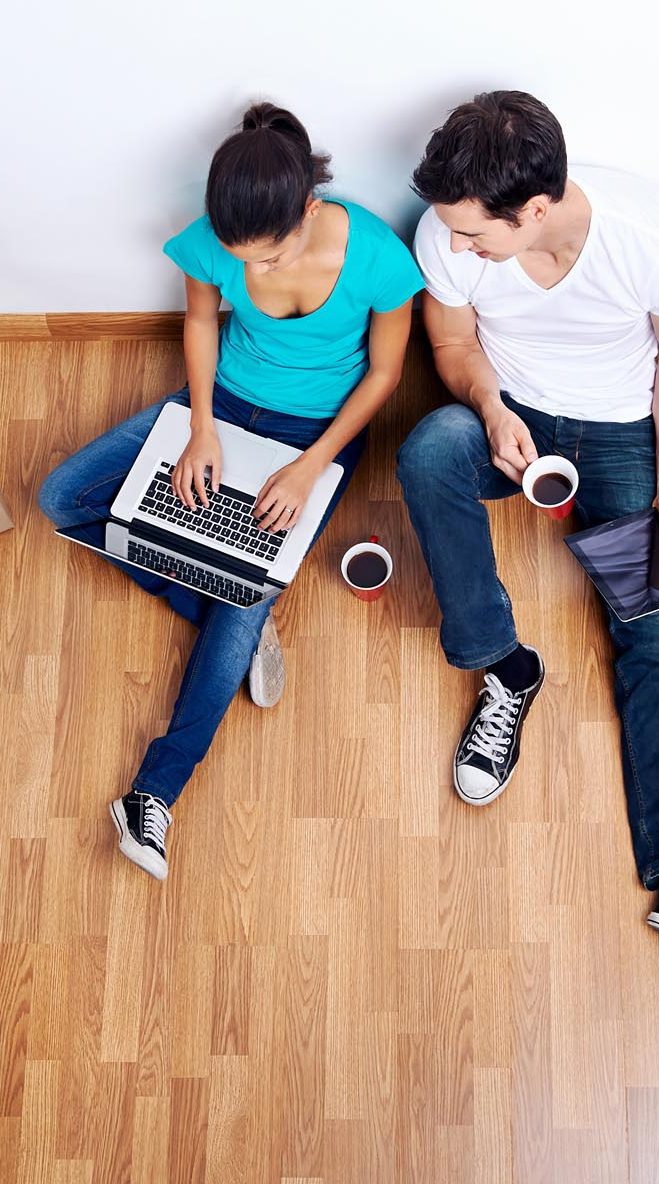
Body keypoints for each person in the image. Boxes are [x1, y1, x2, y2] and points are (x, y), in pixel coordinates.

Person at [397, 90, 659, 980]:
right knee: (431, 449)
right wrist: (489, 407)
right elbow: (454, 343)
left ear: (535, 209)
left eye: (475, 236)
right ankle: (504, 665)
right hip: (513, 418)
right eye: (453, 234)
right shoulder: (448, 232)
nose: (455, 248)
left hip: (620, 431)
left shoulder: (650, 240)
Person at [39, 102, 423, 881]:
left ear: (309, 211)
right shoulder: (213, 242)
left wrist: (312, 464)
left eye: (271, 257)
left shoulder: (379, 258)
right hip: (221, 404)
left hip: (314, 436)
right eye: (242, 259)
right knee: (62, 499)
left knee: (244, 600)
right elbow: (202, 324)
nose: (259, 273)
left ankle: (156, 792)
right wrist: (203, 427)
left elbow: (384, 372)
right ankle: (231, 612)